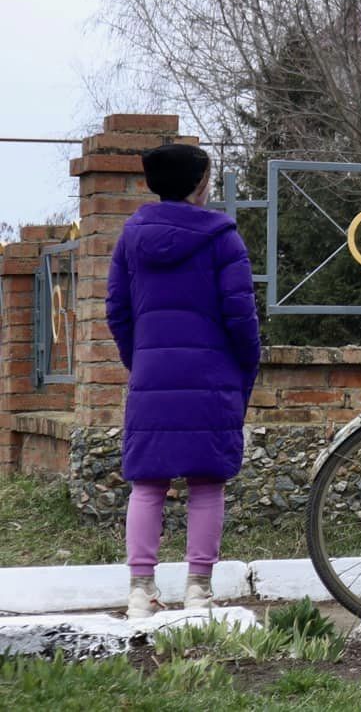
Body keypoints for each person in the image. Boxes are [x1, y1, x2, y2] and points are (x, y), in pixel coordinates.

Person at [107, 142, 261, 620]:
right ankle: (198, 589)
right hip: (211, 377)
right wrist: (244, 370)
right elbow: (241, 316)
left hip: (153, 375)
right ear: (199, 182)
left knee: (147, 484)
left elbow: (117, 311)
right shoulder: (223, 238)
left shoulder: (131, 237)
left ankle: (140, 591)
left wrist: (143, 360)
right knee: (207, 484)